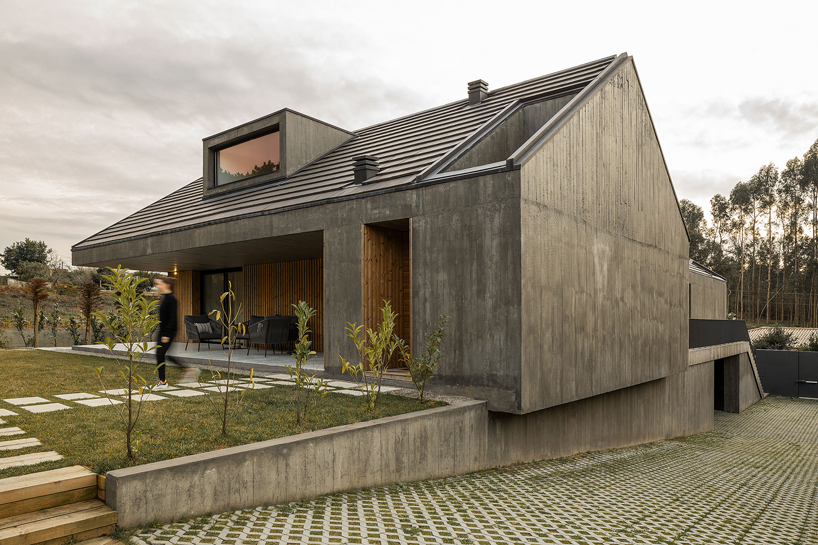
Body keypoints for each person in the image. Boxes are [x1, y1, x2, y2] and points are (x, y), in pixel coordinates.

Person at [154, 276, 177, 389]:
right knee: (162, 354)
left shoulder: (171, 299)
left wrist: (166, 334)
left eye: (159, 284)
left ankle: (163, 381)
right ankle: (162, 380)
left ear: (167, 285)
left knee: (160, 354)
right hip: (163, 331)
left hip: (167, 332)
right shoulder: (166, 298)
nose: (157, 286)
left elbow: (173, 318)